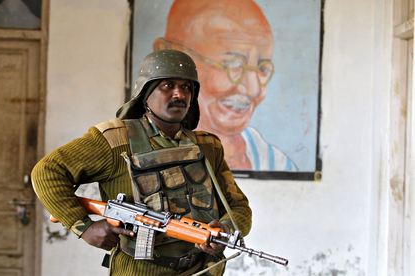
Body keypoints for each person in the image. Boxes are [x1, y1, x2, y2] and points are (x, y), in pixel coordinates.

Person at [31, 49, 252, 275]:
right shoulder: (115, 140)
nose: (180, 94)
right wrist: (84, 227)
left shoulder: (208, 146)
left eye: (187, 87)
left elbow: (239, 208)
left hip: (202, 269)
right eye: (168, 85)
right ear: (146, 92)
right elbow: (47, 172)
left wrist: (224, 229)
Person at [153, 0, 297, 171]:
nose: (253, 89)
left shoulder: (274, 162)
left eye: (262, 68)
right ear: (171, 58)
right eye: (233, 64)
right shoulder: (145, 153)